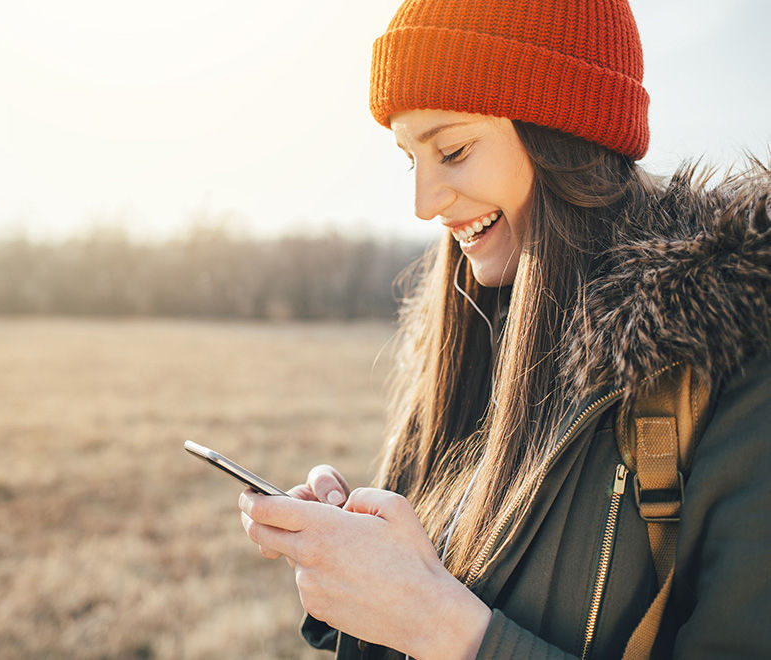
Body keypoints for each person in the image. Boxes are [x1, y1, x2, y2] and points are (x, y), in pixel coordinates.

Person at [237, 0, 771, 658]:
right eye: (411, 159)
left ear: (562, 131)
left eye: (453, 150)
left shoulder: (735, 366)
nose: (423, 202)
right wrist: (359, 564)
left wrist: (441, 625)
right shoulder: (475, 332)